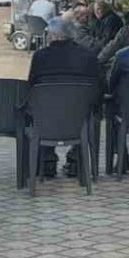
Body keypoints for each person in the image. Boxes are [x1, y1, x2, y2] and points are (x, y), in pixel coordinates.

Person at [27, 17, 99, 178]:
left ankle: (46, 162)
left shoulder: (40, 57)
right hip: (79, 116)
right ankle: (76, 161)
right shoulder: (88, 56)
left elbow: (31, 86)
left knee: (38, 110)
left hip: (46, 117)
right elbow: (99, 87)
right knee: (88, 111)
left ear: (53, 36)